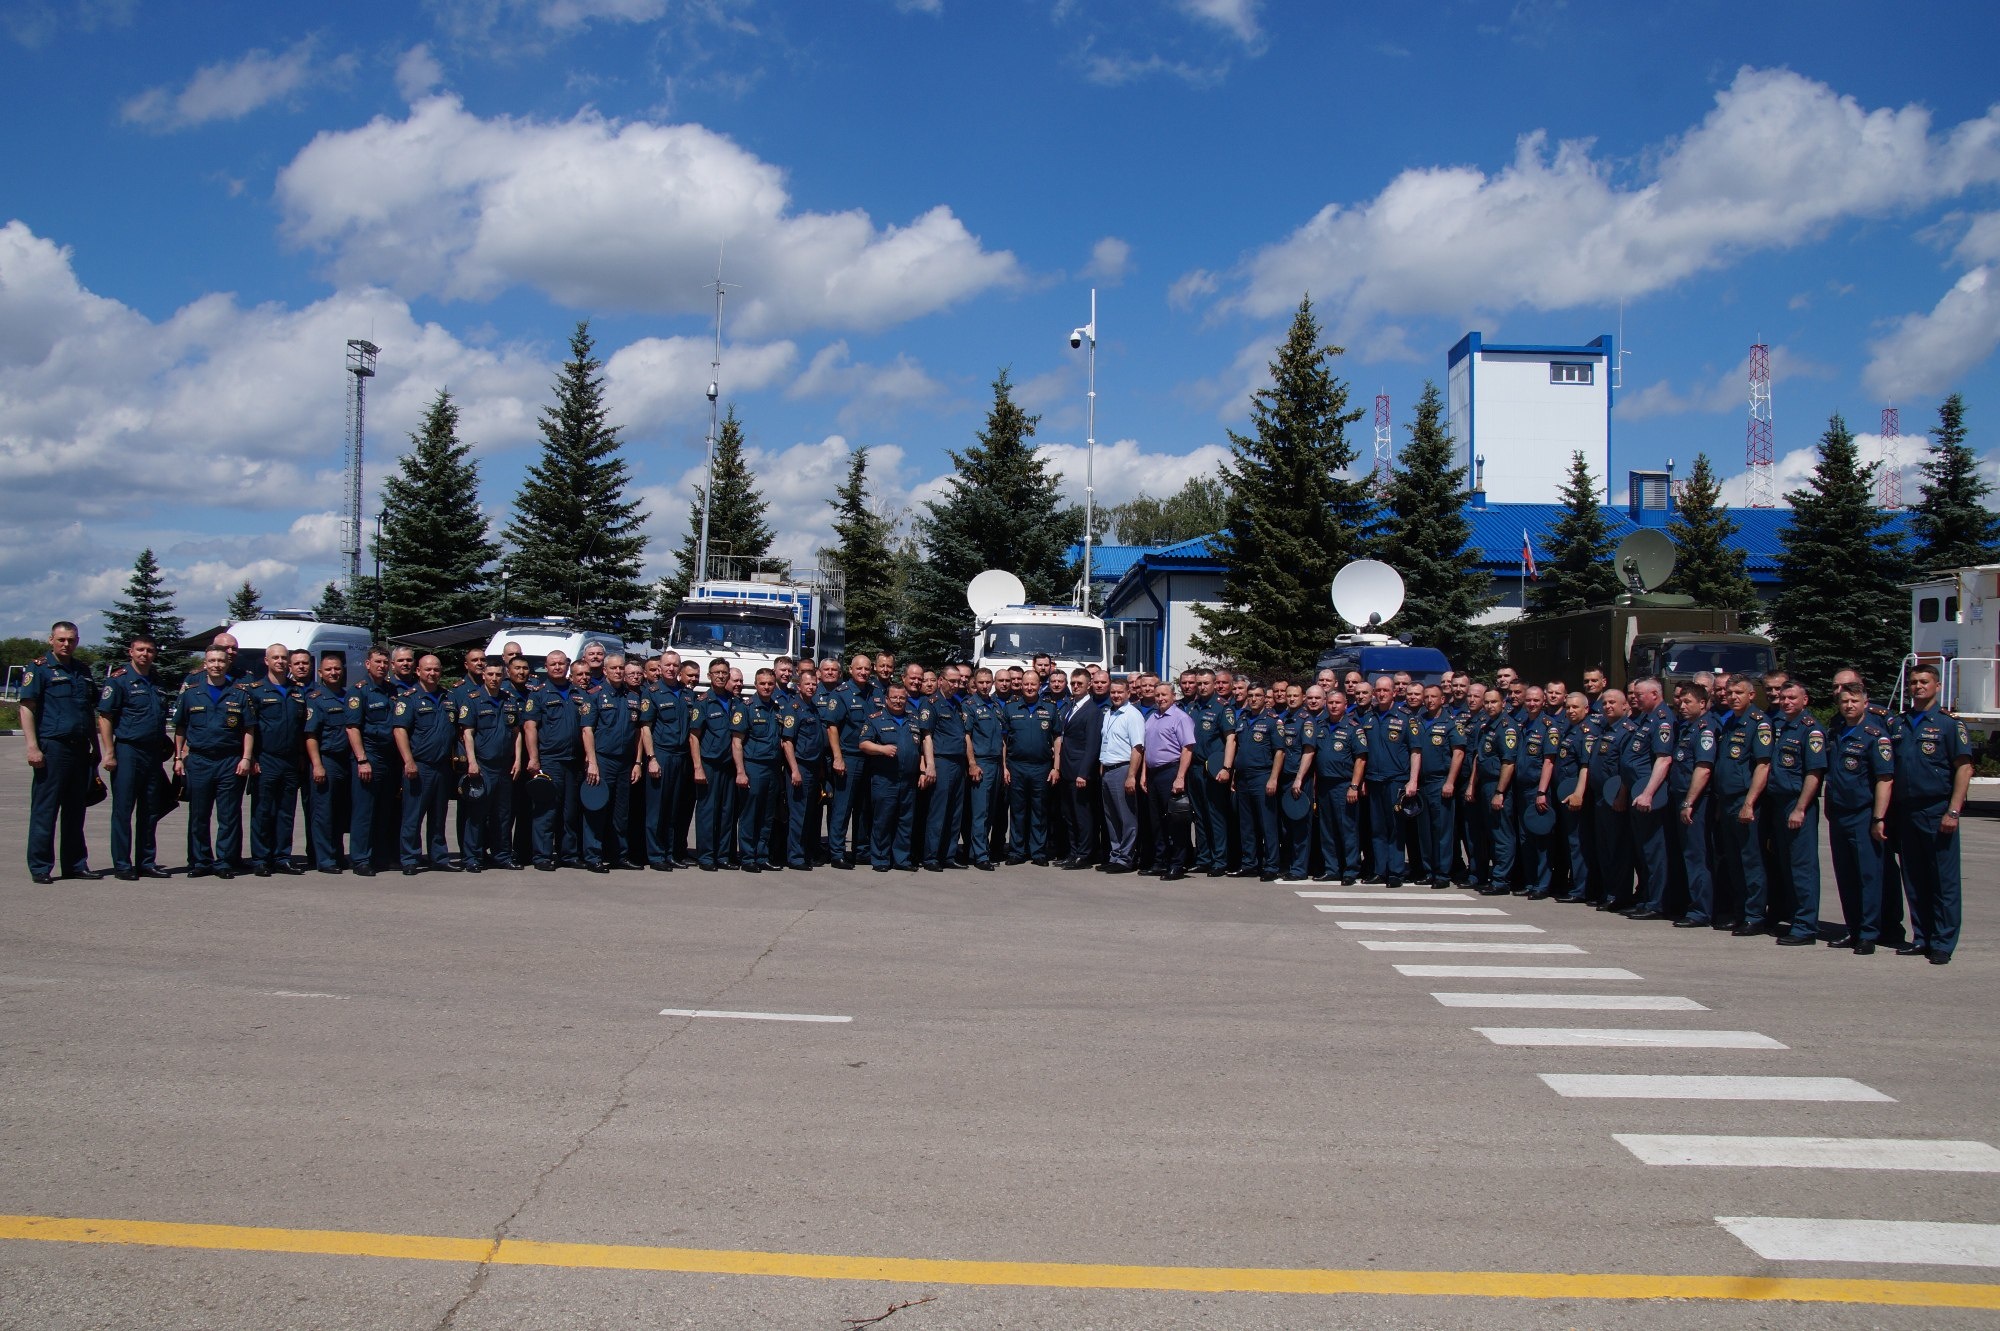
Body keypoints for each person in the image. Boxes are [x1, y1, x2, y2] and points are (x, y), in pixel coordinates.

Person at [1890, 663, 1972, 964]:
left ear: (1937, 686)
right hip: (1906, 812)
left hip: (1937, 810)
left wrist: (1954, 810)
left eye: (1924, 682)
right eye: (1912, 682)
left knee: (1943, 881)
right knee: (1914, 879)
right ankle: (1921, 937)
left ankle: (1943, 942)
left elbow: (1963, 767)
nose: (1917, 687)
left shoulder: (1950, 725)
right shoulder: (1899, 724)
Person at [19, 621, 101, 883]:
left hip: (79, 749)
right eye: (62, 639)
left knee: (76, 810)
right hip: (52, 748)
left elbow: (88, 711)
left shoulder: (82, 671)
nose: (67, 644)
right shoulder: (40, 669)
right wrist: (32, 747)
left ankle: (75, 864)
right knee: (46, 810)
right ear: (51, 640)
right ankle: (41, 867)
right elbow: (27, 707)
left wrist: (95, 748)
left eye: (72, 640)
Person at [95, 635, 174, 881]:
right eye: (140, 650)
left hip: (152, 753)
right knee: (123, 809)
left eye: (150, 650)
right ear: (131, 652)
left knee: (150, 810)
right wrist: (109, 752)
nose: (145, 654)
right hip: (128, 750)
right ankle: (122, 864)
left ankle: (146, 861)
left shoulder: (158, 681)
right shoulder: (119, 680)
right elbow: (105, 717)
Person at [1824, 681, 1894, 954]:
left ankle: (1868, 933)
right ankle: (1852, 929)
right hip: (1839, 814)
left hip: (1863, 814)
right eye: (1844, 701)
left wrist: (1878, 818)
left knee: (1868, 876)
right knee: (1845, 876)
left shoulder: (1875, 736)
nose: (1848, 706)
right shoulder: (1836, 732)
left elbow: (1885, 779)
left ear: (1866, 703)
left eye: (1854, 701)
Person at [173, 645, 253, 879]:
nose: (217, 665)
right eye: (212, 661)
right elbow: (180, 727)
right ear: (205, 664)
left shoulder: (239, 693)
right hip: (199, 760)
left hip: (229, 761)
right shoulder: (191, 693)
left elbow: (249, 728)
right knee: (199, 814)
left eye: (221, 661)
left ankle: (225, 862)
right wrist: (178, 756)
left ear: (228, 663)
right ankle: (200, 861)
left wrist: (246, 757)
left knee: (228, 815)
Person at [1764, 680, 1828, 944]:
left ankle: (1805, 927)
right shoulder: (1777, 726)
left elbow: (1814, 773)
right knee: (1783, 866)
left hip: (1796, 803)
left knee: (1803, 867)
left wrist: (1800, 808)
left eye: (1792, 697)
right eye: (1783, 697)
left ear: (1805, 701)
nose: (1786, 701)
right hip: (1776, 803)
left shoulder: (1810, 731)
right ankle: (1790, 917)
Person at [1709, 674, 1773, 934]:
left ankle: (1755, 915)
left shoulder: (1758, 724)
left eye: (1738, 693)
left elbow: (1763, 765)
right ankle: (1740, 911)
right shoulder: (1730, 723)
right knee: (1734, 860)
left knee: (1751, 861)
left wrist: (1749, 802)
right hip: (1726, 801)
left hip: (1745, 802)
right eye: (1730, 692)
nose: (1732, 696)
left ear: (1751, 695)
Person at [243, 643, 309, 876]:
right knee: (263, 811)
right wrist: (252, 758)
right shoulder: (256, 690)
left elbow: (302, 728)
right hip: (265, 758)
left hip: (291, 760)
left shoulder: (297, 691)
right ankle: (261, 858)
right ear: (266, 661)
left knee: (286, 811)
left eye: (283, 658)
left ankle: (283, 856)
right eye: (275, 658)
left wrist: (301, 755)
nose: (280, 661)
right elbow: (250, 727)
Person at [524, 651, 593, 871]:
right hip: (550, 760)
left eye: (561, 664)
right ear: (546, 666)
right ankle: (542, 855)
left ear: (568, 666)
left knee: (569, 811)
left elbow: (586, 729)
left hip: (573, 762)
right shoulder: (539, 694)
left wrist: (590, 759)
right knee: (546, 810)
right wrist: (534, 758)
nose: (557, 667)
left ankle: (568, 854)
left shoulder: (579, 694)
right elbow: (530, 727)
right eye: (552, 664)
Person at [392, 654, 458, 875]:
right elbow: (400, 730)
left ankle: (438, 857)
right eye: (427, 669)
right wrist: (408, 761)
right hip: (419, 766)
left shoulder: (448, 698)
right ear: (418, 672)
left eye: (436, 670)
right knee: (413, 816)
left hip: (442, 766)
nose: (432, 673)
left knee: (439, 816)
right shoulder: (409, 699)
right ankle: (410, 859)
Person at [459, 658, 524, 872]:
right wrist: (472, 762)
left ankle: (502, 855)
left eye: (498, 675)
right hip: (483, 767)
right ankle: (472, 858)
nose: (494, 678)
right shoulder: (474, 700)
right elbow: (467, 734)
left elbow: (516, 733)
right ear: (484, 676)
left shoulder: (509, 700)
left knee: (503, 815)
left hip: (505, 767)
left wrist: (517, 759)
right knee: (477, 815)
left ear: (503, 675)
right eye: (490, 674)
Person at [1620, 677, 1677, 920]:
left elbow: (1663, 760)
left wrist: (1648, 793)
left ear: (1654, 694)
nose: (1635, 697)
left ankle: (1657, 902)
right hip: (1636, 792)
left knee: (1655, 850)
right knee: (1643, 850)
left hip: (1649, 795)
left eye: (1640, 694)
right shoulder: (1645, 718)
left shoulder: (1663, 721)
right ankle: (1645, 896)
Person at [583, 654, 643, 872]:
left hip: (625, 762)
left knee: (621, 812)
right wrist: (592, 762)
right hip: (603, 760)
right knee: (597, 809)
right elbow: (587, 731)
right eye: (614, 668)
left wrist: (637, 762)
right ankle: (593, 856)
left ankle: (619, 855)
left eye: (621, 668)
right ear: (605, 671)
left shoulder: (633, 697)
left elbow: (637, 734)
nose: (618, 672)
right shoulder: (595, 696)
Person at [1666, 683, 1718, 927]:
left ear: (1703, 703)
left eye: (1688, 702)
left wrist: (1689, 802)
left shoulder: (1705, 730)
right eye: (1681, 701)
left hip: (1695, 802)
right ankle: (1688, 903)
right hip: (1681, 798)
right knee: (1686, 855)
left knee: (1697, 856)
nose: (1682, 706)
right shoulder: (1688, 728)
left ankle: (1701, 910)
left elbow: (1703, 769)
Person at [860, 683, 924, 871]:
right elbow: (863, 744)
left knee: (905, 821)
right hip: (885, 779)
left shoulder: (913, 719)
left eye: (902, 698)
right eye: (894, 697)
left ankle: (901, 859)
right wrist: (881, 749)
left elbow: (919, 748)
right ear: (886, 699)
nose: (898, 701)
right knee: (883, 820)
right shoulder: (876, 719)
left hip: (908, 780)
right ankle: (880, 859)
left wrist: (922, 770)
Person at [1001, 672, 1062, 866]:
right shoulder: (1010, 708)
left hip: (1041, 767)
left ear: (1038, 686)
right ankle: (1017, 852)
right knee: (1017, 811)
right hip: (1016, 766)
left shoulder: (1050, 708)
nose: (1029, 687)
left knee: (1039, 811)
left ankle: (1038, 852)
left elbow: (1057, 739)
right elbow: (1003, 741)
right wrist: (1004, 767)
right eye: (1026, 684)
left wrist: (1056, 768)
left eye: (1033, 684)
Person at [640, 655, 694, 871]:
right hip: (661, 754)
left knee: (674, 808)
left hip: (681, 756)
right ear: (660, 668)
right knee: (657, 809)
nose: (671, 669)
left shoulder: (687, 694)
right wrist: (651, 758)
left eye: (675, 665)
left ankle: (670, 853)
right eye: (667, 665)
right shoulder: (652, 693)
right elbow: (645, 727)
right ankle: (655, 855)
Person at [731, 667, 787, 872]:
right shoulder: (746, 708)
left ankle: (762, 855)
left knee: (767, 814)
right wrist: (740, 771)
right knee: (750, 814)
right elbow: (737, 742)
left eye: (770, 684)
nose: (766, 687)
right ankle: (747, 857)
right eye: (762, 683)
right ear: (755, 685)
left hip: (773, 768)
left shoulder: (777, 708)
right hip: (754, 766)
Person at [1310, 688, 1367, 884]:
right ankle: (1331, 868)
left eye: (1338, 703)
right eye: (1331, 703)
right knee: (1327, 829)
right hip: (1325, 785)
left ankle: (1350, 870)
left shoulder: (1353, 727)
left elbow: (1360, 759)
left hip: (1344, 785)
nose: (1334, 706)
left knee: (1347, 829)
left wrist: (1354, 786)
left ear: (1345, 706)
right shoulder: (1321, 726)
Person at [918, 665, 971, 871]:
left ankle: (948, 855)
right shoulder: (930, 704)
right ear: (941, 681)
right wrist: (930, 765)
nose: (957, 685)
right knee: (938, 812)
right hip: (942, 762)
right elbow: (927, 736)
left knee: (955, 812)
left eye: (959, 681)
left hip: (958, 763)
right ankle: (931, 856)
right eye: (952, 681)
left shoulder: (957, 704)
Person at [1412, 683, 1465, 891]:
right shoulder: (1418, 721)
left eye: (1434, 697)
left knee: (1442, 830)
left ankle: (1442, 873)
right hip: (1422, 784)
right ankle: (1428, 870)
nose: (1429, 700)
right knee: (1424, 831)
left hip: (1440, 781)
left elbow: (1458, 753)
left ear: (1443, 699)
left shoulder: (1450, 723)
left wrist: (1450, 781)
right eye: (1427, 697)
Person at [1142, 680, 1196, 880]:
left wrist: (1180, 777)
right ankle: (1160, 861)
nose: (1160, 699)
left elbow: (1188, 748)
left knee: (1176, 820)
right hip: (1153, 773)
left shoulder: (1181, 718)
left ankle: (1177, 864)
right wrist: (1144, 775)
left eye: (1164, 695)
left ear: (1173, 696)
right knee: (1156, 821)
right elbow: (1147, 748)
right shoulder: (1152, 717)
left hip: (1171, 772)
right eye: (1157, 696)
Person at [1587, 689, 1636, 909]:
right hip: (1600, 798)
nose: (1607, 706)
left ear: (1625, 706)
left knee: (1618, 849)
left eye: (1613, 702)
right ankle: (1608, 891)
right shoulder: (1604, 729)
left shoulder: (1627, 731)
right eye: (1605, 703)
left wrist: (1621, 795)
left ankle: (1619, 894)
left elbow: (1626, 769)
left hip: (1615, 798)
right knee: (1604, 848)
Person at [691, 658, 739, 871]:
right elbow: (694, 737)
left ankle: (723, 855)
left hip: (729, 765)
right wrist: (698, 767)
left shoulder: (736, 702)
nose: (721, 676)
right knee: (708, 811)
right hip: (709, 764)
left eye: (724, 672)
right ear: (709, 676)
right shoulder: (703, 702)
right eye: (717, 672)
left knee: (727, 812)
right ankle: (707, 856)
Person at [1551, 689, 1598, 905]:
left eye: (1575, 707)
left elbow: (1585, 767)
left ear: (1586, 709)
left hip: (1577, 797)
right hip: (1565, 795)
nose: (1570, 711)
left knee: (1579, 842)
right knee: (1570, 841)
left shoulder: (1587, 733)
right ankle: (1575, 883)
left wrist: (1579, 793)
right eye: (1568, 707)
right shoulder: (1570, 730)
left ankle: (1582, 888)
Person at [1096, 677, 1146, 873]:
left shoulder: (1132, 715)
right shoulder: (1109, 712)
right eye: (1113, 692)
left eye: (1119, 692)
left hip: (1124, 769)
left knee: (1126, 817)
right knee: (1112, 817)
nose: (1116, 695)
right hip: (1108, 769)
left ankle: (1126, 858)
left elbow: (1138, 748)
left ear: (1128, 693)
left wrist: (1131, 775)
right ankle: (1115, 855)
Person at [782, 667, 830, 869]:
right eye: (807, 684)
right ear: (798, 686)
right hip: (800, 767)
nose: (811, 687)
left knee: (809, 814)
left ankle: (805, 852)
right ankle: (795, 857)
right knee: (798, 814)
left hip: (813, 768)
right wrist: (794, 770)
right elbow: (787, 742)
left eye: (814, 684)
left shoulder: (813, 708)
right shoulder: (793, 708)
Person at [1059, 667, 1103, 869]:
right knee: (1069, 814)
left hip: (1081, 772)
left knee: (1082, 815)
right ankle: (1073, 851)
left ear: (1089, 686)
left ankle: (1084, 855)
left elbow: (1092, 746)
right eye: (1073, 683)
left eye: (1079, 684)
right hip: (1067, 769)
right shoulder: (1071, 706)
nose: (1075, 687)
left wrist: (1084, 773)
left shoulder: (1092, 711)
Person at [964, 669, 1006, 870]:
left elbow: (1002, 740)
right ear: (975, 682)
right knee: (980, 812)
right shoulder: (970, 706)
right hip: (981, 762)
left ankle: (978, 850)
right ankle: (980, 856)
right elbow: (967, 736)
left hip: (996, 763)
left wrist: (1004, 766)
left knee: (990, 811)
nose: (985, 686)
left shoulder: (996, 706)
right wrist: (972, 764)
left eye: (988, 682)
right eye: (981, 682)